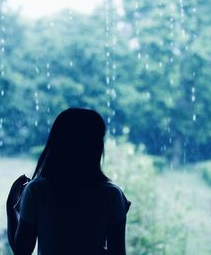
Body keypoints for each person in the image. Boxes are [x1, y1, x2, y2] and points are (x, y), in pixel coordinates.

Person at [11, 108, 131, 255]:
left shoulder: (37, 190)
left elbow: (21, 251)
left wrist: (11, 209)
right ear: (95, 147)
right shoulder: (112, 195)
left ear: (56, 143)